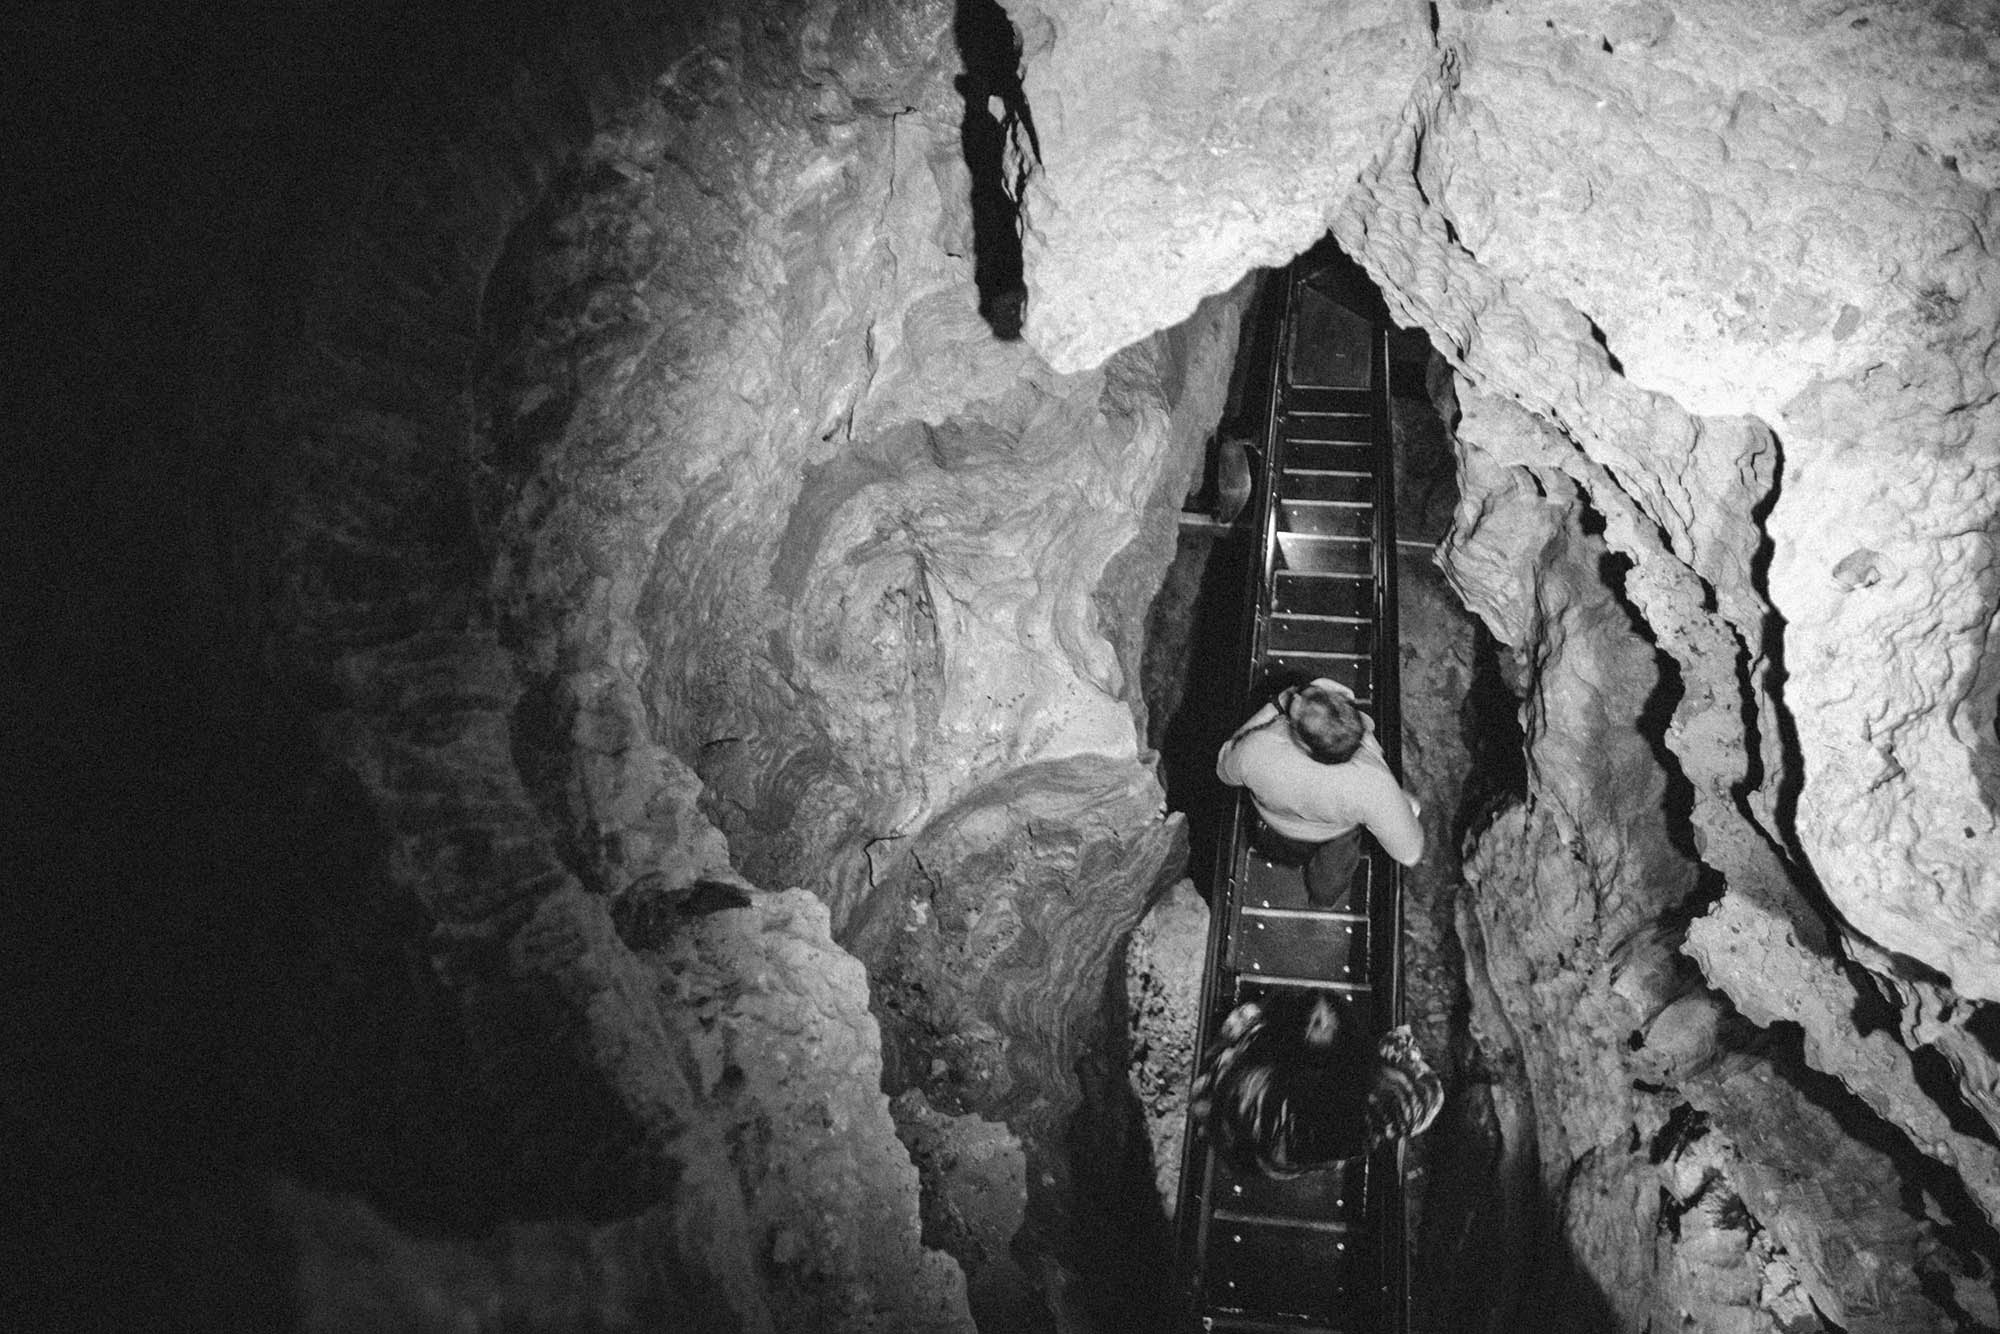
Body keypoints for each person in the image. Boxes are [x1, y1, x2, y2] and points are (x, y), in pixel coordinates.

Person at [1215, 677, 1423, 905]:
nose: (1295, 697)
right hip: (1332, 836)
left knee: (1276, 846)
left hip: (1273, 830)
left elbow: (1224, 770)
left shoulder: (1256, 749)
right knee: (1330, 880)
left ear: (1306, 745)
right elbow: (1410, 853)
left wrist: (1275, 706)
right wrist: (1398, 801)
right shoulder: (1372, 784)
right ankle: (1322, 901)